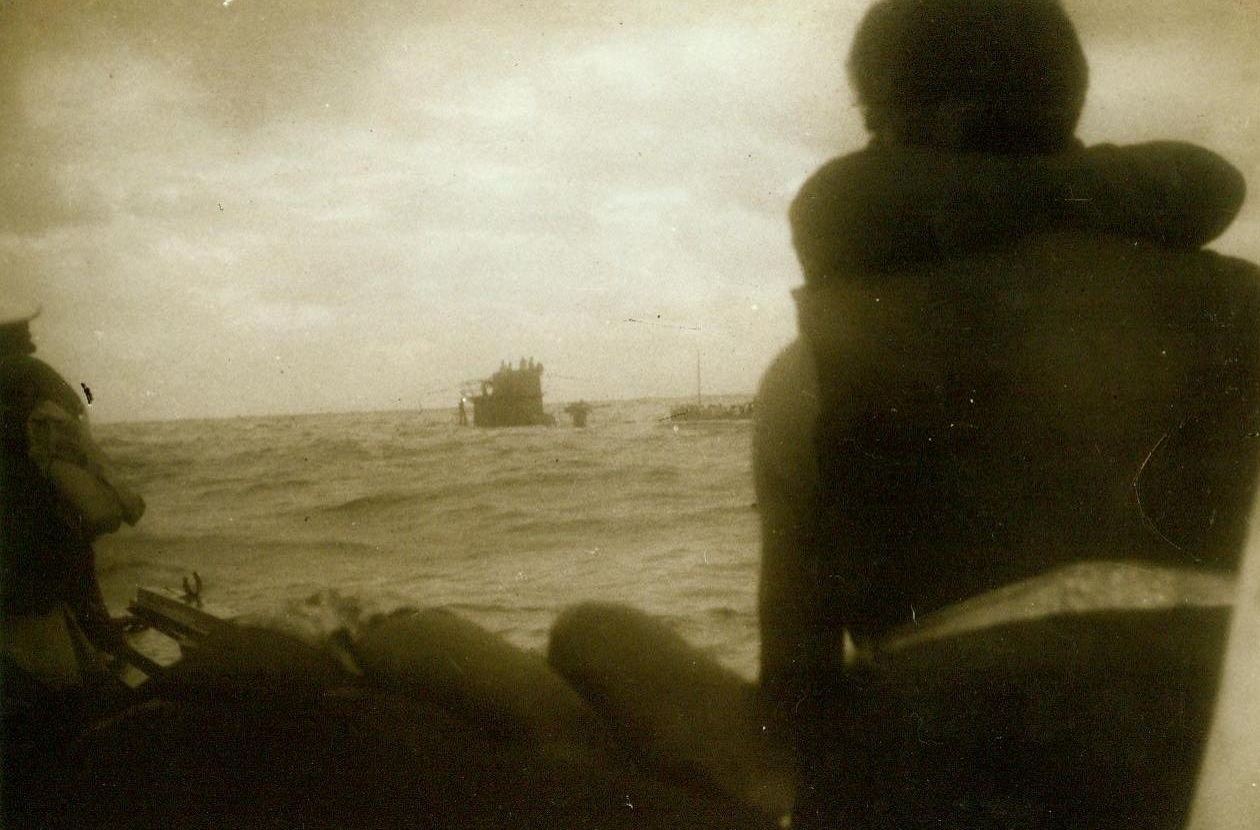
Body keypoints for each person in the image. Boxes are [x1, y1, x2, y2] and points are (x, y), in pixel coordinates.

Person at [755, 0, 1260, 826]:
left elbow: (794, 700)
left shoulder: (810, 369)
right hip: (1230, 761)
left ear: (887, 125)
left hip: (956, 776)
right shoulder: (1246, 306)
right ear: (1072, 105)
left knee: (599, 642)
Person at [1, 298, 147, 775]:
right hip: (36, 547)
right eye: (21, 330)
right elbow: (89, 487)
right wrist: (116, 499)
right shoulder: (34, 378)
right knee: (78, 675)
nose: (32, 339)